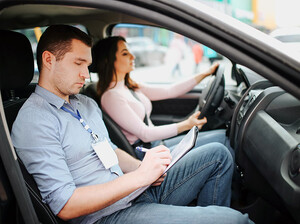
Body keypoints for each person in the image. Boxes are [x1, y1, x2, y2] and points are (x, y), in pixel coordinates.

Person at [11, 25, 253, 224]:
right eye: (79, 63)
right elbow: (66, 205)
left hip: (134, 192)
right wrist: (139, 178)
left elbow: (109, 149)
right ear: (48, 60)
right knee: (237, 221)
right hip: (107, 216)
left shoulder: (84, 103)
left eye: (88, 64)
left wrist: (142, 169)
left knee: (218, 155)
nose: (87, 74)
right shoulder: (35, 120)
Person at [93, 36, 233, 160]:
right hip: (147, 154)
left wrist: (205, 73)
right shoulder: (111, 96)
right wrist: (186, 124)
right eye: (125, 53)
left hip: (157, 144)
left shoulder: (128, 86)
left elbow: (170, 90)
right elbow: (145, 134)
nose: (132, 56)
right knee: (222, 141)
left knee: (222, 136)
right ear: (108, 60)